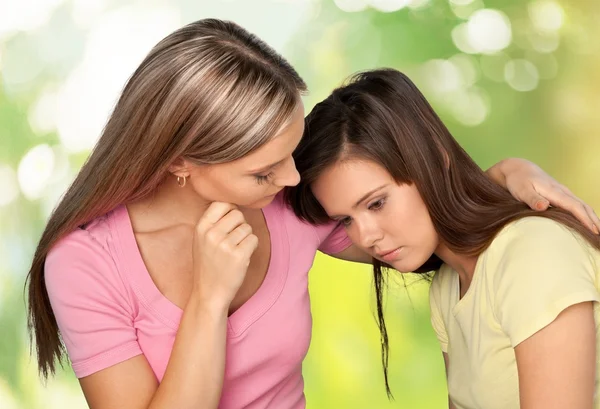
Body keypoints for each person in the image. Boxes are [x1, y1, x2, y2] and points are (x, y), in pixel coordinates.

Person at [27, 20, 599, 409]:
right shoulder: (84, 262)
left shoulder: (289, 203)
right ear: (180, 158)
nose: (292, 181)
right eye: (264, 171)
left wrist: (505, 173)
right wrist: (208, 299)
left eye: (290, 157)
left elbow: (414, 202)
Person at [286, 68, 600, 408]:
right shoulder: (449, 289)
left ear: (433, 157)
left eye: (377, 203)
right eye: (345, 219)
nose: (365, 237)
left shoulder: (533, 253)